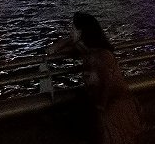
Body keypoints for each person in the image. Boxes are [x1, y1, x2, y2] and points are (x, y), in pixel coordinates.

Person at [48, 12, 144, 144]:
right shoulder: (87, 52)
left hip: (114, 111)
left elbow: (107, 84)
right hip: (106, 109)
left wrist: (100, 110)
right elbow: (51, 50)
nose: (69, 31)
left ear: (82, 32)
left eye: (72, 28)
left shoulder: (101, 56)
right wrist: (73, 38)